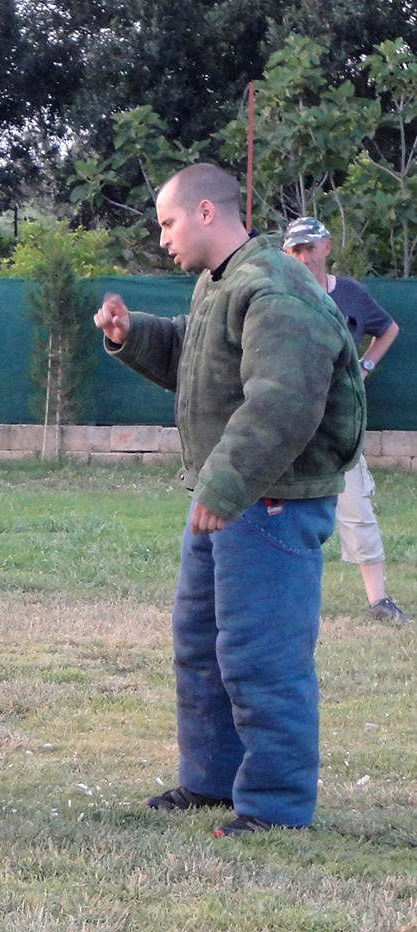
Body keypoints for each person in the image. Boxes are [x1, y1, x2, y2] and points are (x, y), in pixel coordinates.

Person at [94, 163, 365, 837]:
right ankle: (213, 781)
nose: (162, 239)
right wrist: (133, 336)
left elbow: (282, 398)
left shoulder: (272, 285)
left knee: (262, 659)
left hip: (268, 501)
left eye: (166, 222)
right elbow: (200, 350)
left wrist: (223, 485)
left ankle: (274, 808)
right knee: (203, 648)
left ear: (207, 212)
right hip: (232, 500)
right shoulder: (224, 281)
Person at [283, 217, 412, 624]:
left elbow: (388, 329)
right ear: (287, 255)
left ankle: (379, 602)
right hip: (289, 417)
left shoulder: (351, 294)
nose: (305, 257)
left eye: (311, 247)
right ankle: (280, 596)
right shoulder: (279, 294)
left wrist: (367, 364)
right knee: (279, 505)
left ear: (327, 247)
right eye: (296, 250)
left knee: (356, 505)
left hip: (339, 421)